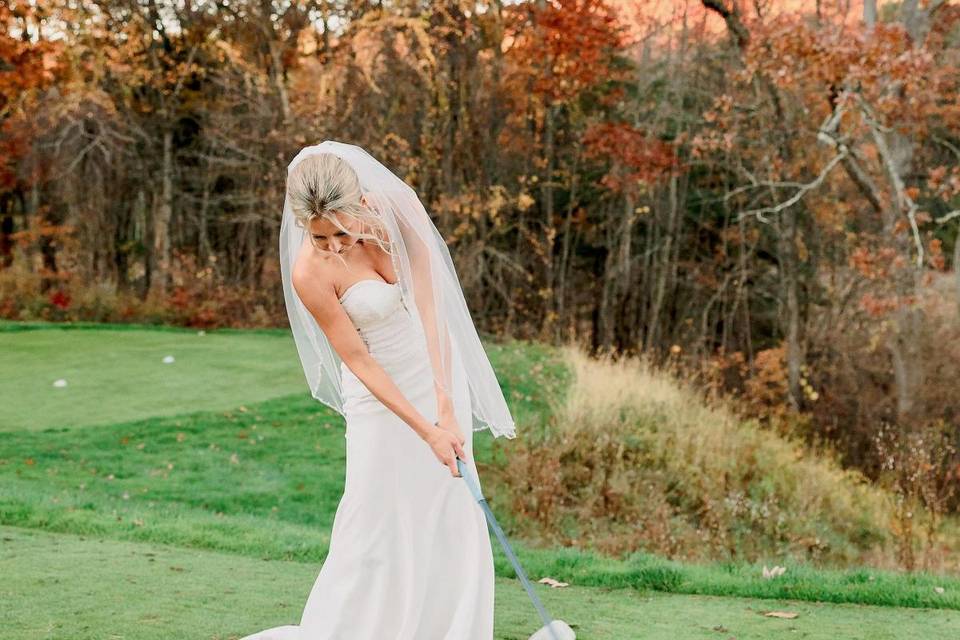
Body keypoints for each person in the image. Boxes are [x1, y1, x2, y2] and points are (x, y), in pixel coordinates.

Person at [239, 141, 516, 640]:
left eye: (340, 233)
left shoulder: (400, 211)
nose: (333, 247)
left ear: (361, 204)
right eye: (319, 237)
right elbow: (359, 360)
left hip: (434, 367)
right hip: (378, 397)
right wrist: (424, 429)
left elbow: (433, 306)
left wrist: (446, 407)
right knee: (375, 518)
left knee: (448, 507)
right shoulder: (309, 272)